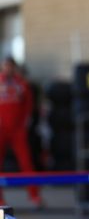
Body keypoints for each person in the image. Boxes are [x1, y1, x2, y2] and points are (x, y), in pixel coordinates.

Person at [0, 56, 42, 207]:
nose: (8, 69)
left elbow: (29, 106)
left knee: (26, 163)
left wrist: (25, 124)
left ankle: (35, 196)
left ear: (14, 67)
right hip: (1, 130)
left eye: (10, 66)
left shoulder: (22, 84)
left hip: (18, 131)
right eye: (5, 66)